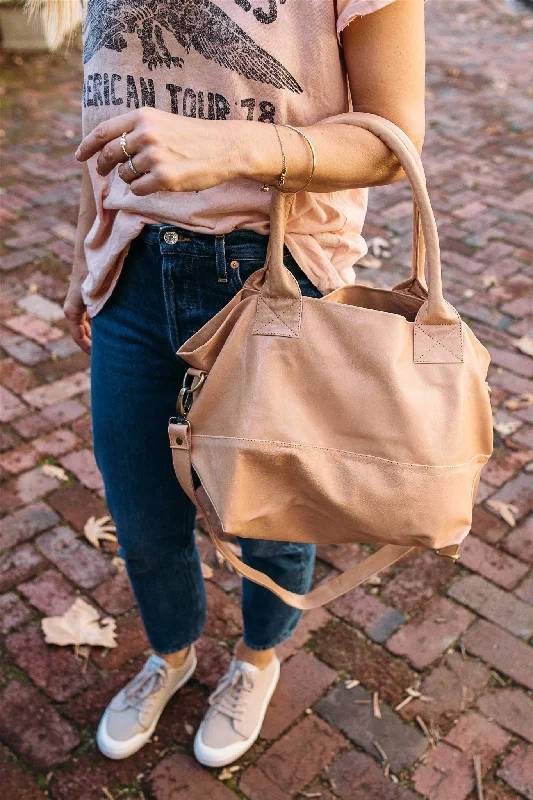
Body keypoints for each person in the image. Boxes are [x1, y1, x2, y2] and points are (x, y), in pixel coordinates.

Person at [32, 0, 426, 767]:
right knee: (141, 518)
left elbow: (392, 139)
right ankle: (172, 655)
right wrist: (87, 253)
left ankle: (256, 659)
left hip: (274, 272)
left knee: (273, 518)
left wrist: (232, 148)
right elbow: (105, 115)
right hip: (132, 275)